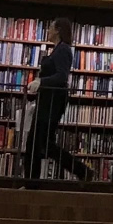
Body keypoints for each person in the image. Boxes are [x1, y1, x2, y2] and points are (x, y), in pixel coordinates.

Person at [24, 18, 93, 186]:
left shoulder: (63, 50)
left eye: (50, 28)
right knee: (35, 143)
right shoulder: (58, 50)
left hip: (53, 102)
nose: (47, 31)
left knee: (41, 143)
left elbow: (62, 76)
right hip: (47, 99)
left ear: (58, 30)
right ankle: (31, 183)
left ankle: (81, 170)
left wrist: (41, 82)